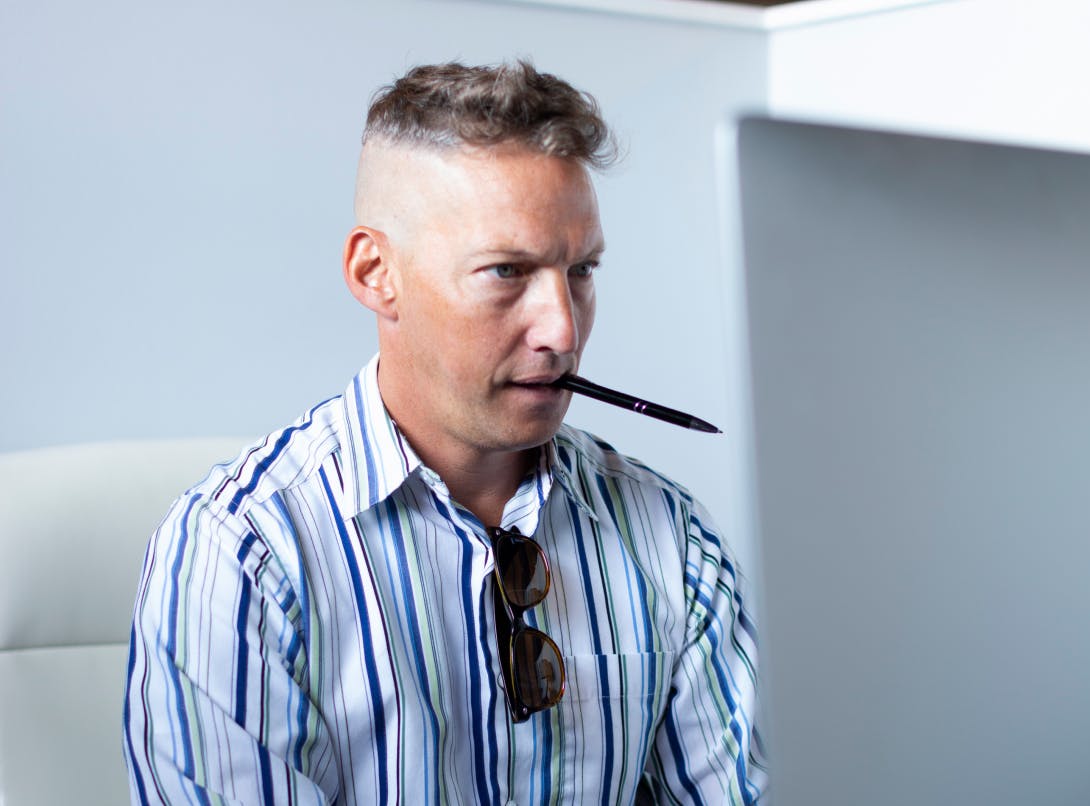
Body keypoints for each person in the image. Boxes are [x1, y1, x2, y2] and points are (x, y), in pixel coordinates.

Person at [124, 60, 766, 804]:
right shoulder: (239, 556)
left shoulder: (670, 536)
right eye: (505, 271)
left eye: (581, 271)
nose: (562, 329)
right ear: (375, 273)